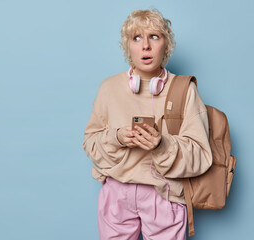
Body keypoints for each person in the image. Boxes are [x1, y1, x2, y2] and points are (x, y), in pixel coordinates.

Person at [82, 9, 213, 240]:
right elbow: (90, 144)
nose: (145, 46)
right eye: (136, 38)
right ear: (128, 47)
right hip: (116, 193)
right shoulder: (109, 88)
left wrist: (162, 145)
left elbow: (202, 156)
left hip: (165, 194)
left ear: (166, 45)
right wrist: (118, 137)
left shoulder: (185, 90)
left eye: (154, 36)